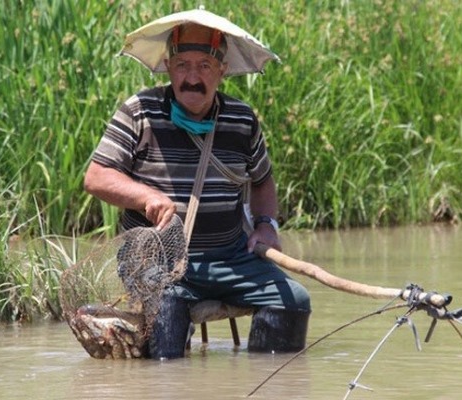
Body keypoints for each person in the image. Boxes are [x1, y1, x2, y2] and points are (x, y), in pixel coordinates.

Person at [83, 21, 311, 359]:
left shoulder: (242, 120)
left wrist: (266, 225)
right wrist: (146, 196)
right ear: (168, 68)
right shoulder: (139, 111)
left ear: (222, 70)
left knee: (293, 300)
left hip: (229, 258)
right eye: (183, 65)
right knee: (168, 305)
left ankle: (266, 384)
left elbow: (262, 181)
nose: (192, 77)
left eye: (204, 66)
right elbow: (97, 177)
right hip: (155, 261)